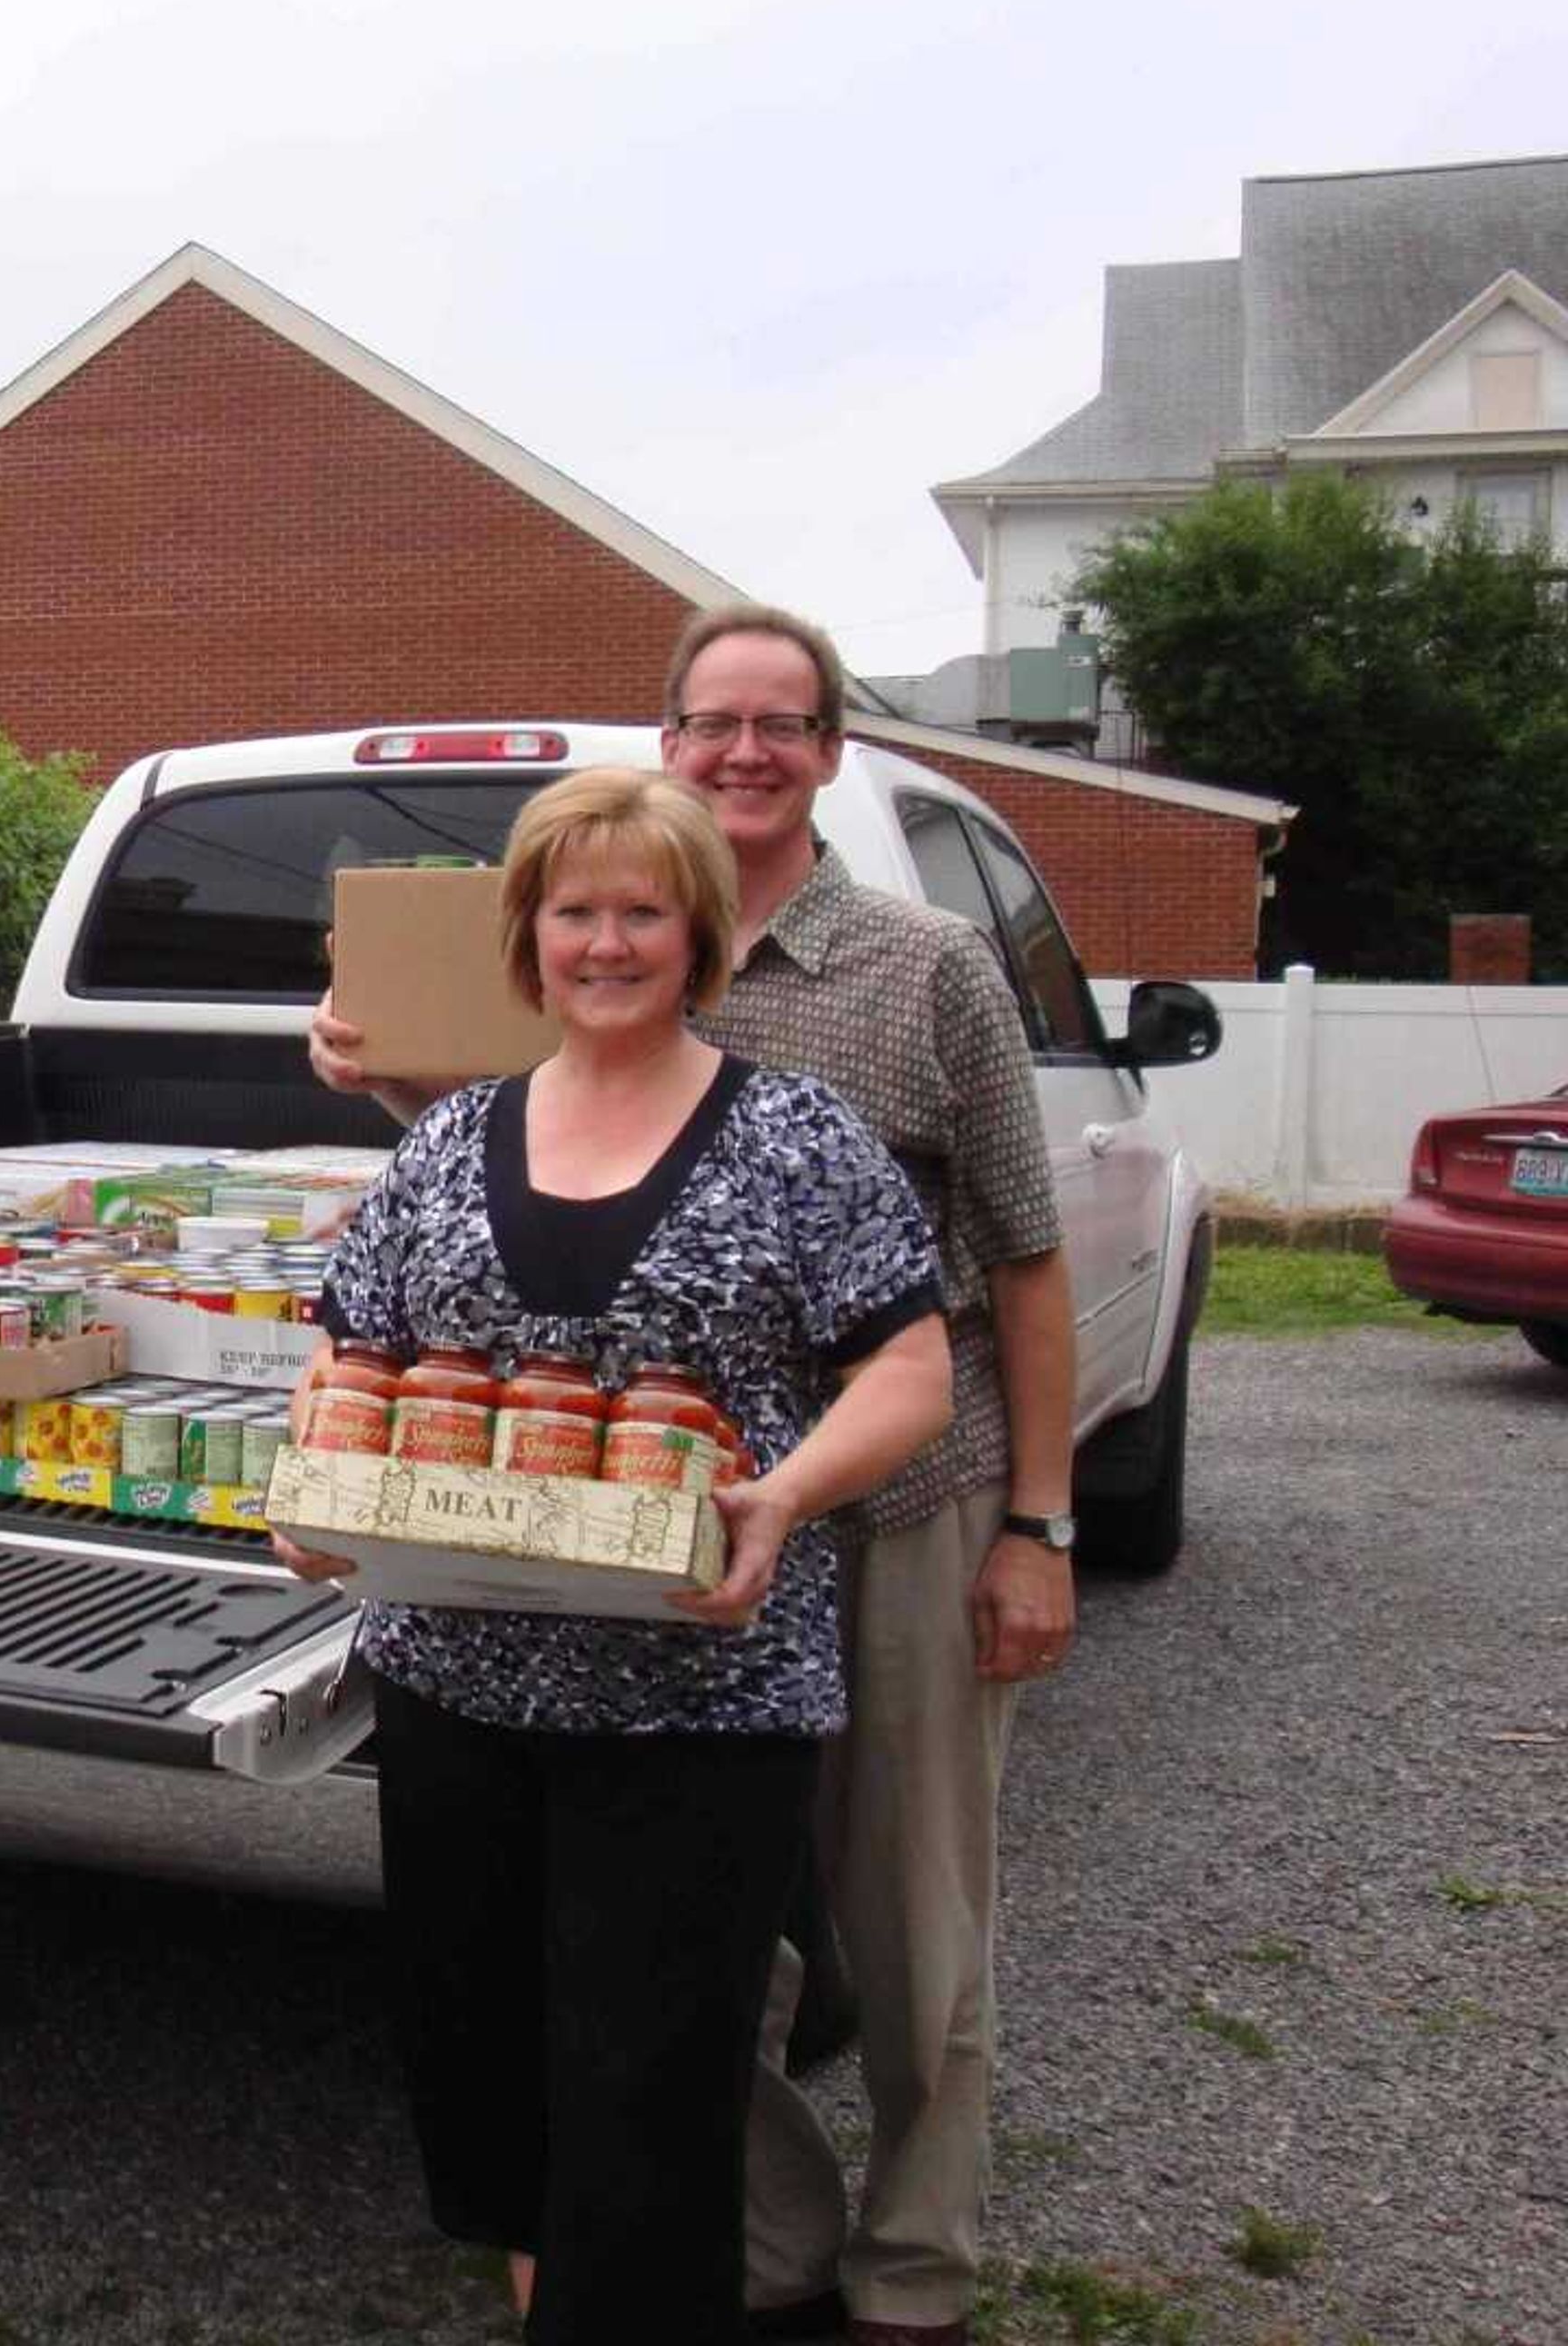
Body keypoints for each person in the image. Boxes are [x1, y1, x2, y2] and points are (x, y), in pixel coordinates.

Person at [309, 604, 1075, 2346]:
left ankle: (869, 2279)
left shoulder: (822, 1103)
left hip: (720, 1663)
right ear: (530, 938)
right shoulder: (456, 1128)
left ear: (697, 934)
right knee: (503, 2048)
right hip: (469, 1682)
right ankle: (597, 2283)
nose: (605, 942)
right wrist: (324, 1490)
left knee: (754, 2013)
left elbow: (930, 1338)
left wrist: (832, 1503)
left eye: (640, 914)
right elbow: (358, 1337)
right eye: (573, 914)